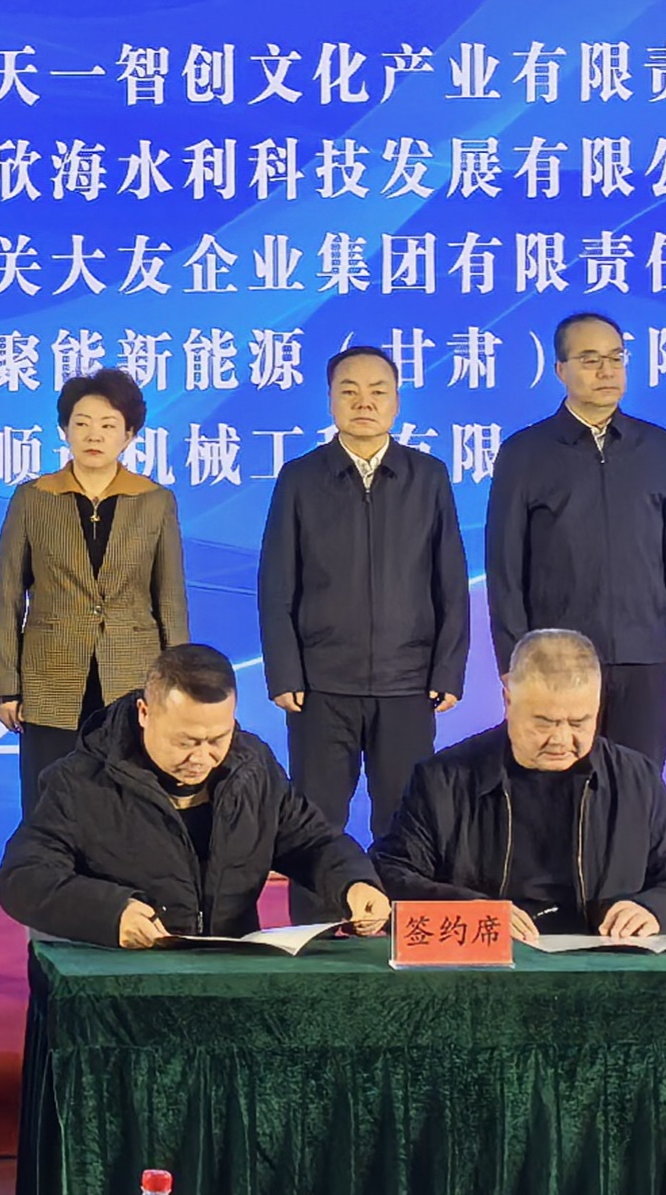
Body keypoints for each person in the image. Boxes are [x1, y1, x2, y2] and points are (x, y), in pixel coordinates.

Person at [259, 344, 470, 915]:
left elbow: (450, 580)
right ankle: (314, 936)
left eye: (378, 391)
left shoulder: (427, 476)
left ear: (396, 402)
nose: (364, 402)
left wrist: (448, 668)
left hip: (408, 682)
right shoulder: (301, 478)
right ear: (330, 400)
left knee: (404, 820)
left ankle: (400, 935)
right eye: (349, 391)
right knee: (315, 822)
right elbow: (276, 583)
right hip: (321, 684)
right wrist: (284, 672)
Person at [0, 643, 391, 949]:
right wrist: (111, 913)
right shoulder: (80, 781)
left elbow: (311, 842)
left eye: (217, 739)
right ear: (144, 713)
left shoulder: (253, 768)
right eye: (185, 742)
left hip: (230, 971)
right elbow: (24, 877)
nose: (202, 758)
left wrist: (354, 883)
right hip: (125, 978)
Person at [372, 629, 666, 937]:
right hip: (490, 962)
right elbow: (391, 872)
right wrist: (473, 912)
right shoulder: (444, 779)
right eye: (544, 723)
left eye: (579, 722)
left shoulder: (636, 779)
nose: (561, 740)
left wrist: (654, 910)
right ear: (508, 702)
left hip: (602, 959)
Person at [484, 313, 666, 766]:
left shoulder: (658, 447)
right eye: (589, 360)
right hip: (557, 657)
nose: (606, 371)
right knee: (558, 784)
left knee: (638, 783)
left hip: (643, 653)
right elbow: (505, 567)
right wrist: (514, 659)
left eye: (615, 358)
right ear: (560, 370)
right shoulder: (525, 452)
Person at [0, 370, 189, 807]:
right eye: (81, 423)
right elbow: (7, 597)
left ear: (129, 434)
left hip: (133, 676)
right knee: (51, 803)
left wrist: (177, 688)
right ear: (64, 430)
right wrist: (7, 686)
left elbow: (171, 600)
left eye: (108, 424)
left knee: (130, 804)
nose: (93, 435)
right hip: (50, 676)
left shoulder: (155, 501)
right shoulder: (33, 498)